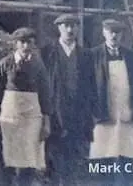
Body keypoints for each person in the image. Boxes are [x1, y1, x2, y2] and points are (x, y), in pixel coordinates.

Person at [39, 14, 94, 186]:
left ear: (77, 28)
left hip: (77, 112)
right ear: (59, 28)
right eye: (66, 26)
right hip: (54, 111)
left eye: (73, 26)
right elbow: (41, 83)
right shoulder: (47, 52)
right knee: (53, 154)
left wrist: (89, 113)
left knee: (74, 154)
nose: (70, 30)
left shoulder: (85, 54)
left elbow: (91, 86)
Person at [0, 27, 52, 186]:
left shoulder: (39, 66)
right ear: (16, 44)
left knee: (28, 161)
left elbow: (45, 95)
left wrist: (46, 122)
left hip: (32, 118)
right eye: (22, 42)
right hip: (9, 117)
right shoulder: (5, 64)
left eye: (29, 42)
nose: (26, 46)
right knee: (7, 159)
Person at [87, 19, 133, 186]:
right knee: (104, 156)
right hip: (103, 112)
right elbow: (87, 85)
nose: (114, 35)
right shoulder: (93, 55)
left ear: (122, 34)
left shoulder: (130, 55)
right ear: (104, 33)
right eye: (110, 31)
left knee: (127, 157)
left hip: (126, 111)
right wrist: (93, 111)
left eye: (117, 32)